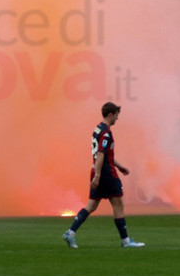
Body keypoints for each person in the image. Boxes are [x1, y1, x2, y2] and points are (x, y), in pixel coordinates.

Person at [62, 102, 144, 249]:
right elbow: (101, 154)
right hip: (106, 172)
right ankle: (125, 241)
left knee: (92, 205)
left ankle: (70, 232)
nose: (117, 118)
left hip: (97, 169)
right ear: (110, 114)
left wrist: (119, 167)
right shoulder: (106, 132)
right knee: (118, 204)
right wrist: (98, 176)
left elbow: (104, 154)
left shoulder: (97, 129)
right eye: (116, 115)